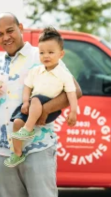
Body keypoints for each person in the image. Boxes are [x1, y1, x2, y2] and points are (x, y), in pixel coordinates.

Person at [0, 13, 82, 197]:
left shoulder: (42, 54)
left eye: (10, 30)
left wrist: (44, 110)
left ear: (21, 28)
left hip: (38, 146)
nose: (6, 37)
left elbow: (75, 90)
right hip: (4, 150)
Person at [5, 27, 78, 167]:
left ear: (61, 54)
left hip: (49, 106)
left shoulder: (64, 74)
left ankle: (28, 129)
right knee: (16, 123)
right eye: (42, 53)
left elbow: (71, 92)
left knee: (37, 99)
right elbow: (27, 87)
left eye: (51, 52)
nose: (46, 56)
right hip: (33, 104)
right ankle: (17, 154)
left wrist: (73, 111)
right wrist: (25, 102)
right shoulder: (35, 71)